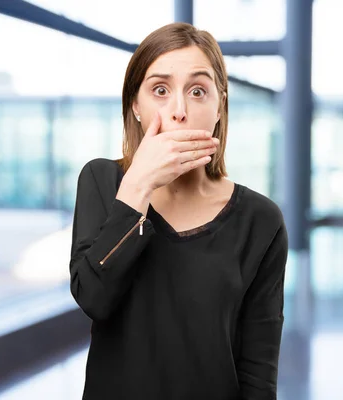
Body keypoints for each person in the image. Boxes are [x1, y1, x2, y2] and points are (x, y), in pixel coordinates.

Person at [69, 23, 288, 399]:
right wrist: (138, 185)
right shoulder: (102, 181)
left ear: (219, 105)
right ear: (135, 106)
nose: (179, 111)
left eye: (198, 91)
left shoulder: (261, 220)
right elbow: (93, 297)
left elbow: (258, 373)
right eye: (160, 90)